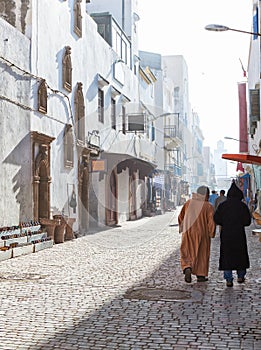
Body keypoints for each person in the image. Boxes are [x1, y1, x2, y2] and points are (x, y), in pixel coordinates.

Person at [213, 181, 251, 287]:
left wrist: (225, 223)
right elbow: (247, 221)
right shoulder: (242, 206)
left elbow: (216, 218)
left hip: (226, 235)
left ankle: (229, 279)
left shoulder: (223, 206)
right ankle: (240, 276)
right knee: (240, 255)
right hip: (239, 234)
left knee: (227, 256)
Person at [178, 186, 216, 283]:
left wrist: (181, 227)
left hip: (188, 232)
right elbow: (211, 222)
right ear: (206, 194)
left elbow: (181, 216)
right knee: (202, 254)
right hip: (202, 234)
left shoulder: (188, 203)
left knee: (187, 251)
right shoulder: (208, 206)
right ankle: (201, 275)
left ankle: (187, 267)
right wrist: (212, 233)